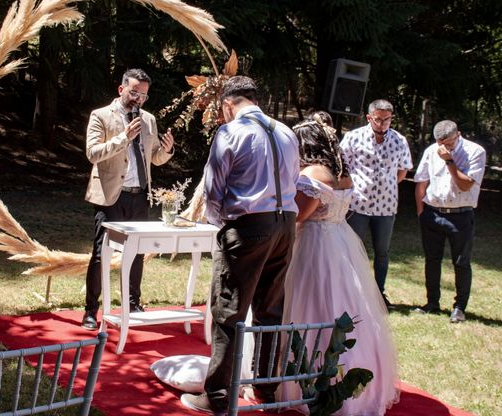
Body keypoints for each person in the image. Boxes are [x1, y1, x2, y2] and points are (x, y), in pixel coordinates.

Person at [180, 76, 300, 414]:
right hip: (285, 227)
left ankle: (217, 396)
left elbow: (213, 190)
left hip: (248, 227)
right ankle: (266, 392)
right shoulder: (287, 132)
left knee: (228, 312)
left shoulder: (230, 132)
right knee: (270, 312)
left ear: (228, 103)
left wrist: (223, 227)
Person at [281, 116, 400, 415]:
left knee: (311, 303)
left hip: (314, 244)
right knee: (343, 302)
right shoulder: (341, 171)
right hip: (340, 241)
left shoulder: (314, 174)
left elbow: (299, 216)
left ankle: (311, 380)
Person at [82, 68, 175, 330]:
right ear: (121, 89)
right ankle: (91, 310)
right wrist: (124, 138)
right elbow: (92, 153)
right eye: (134, 92)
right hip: (112, 196)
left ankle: (133, 304)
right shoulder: (101, 116)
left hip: (139, 196)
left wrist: (166, 151)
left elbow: (153, 157)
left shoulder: (149, 120)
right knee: (101, 255)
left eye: (143, 95)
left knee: (136, 254)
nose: (138, 99)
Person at [339, 99, 412, 308]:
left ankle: (379, 293)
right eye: (378, 119)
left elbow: (403, 171)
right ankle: (351, 292)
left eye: (387, 120)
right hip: (358, 205)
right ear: (369, 117)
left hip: (386, 206)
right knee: (353, 249)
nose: (382, 124)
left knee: (382, 251)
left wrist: (386, 185)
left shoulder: (399, 140)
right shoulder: (354, 137)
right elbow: (342, 166)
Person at [413, 120, 486, 323]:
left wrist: (449, 161)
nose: (444, 147)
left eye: (449, 143)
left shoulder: (475, 152)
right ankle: (432, 303)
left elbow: (465, 185)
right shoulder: (431, 150)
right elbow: (421, 181)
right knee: (432, 260)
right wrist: (421, 211)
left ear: (458, 135)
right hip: (433, 213)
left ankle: (459, 308)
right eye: (440, 143)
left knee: (461, 262)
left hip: (461, 215)